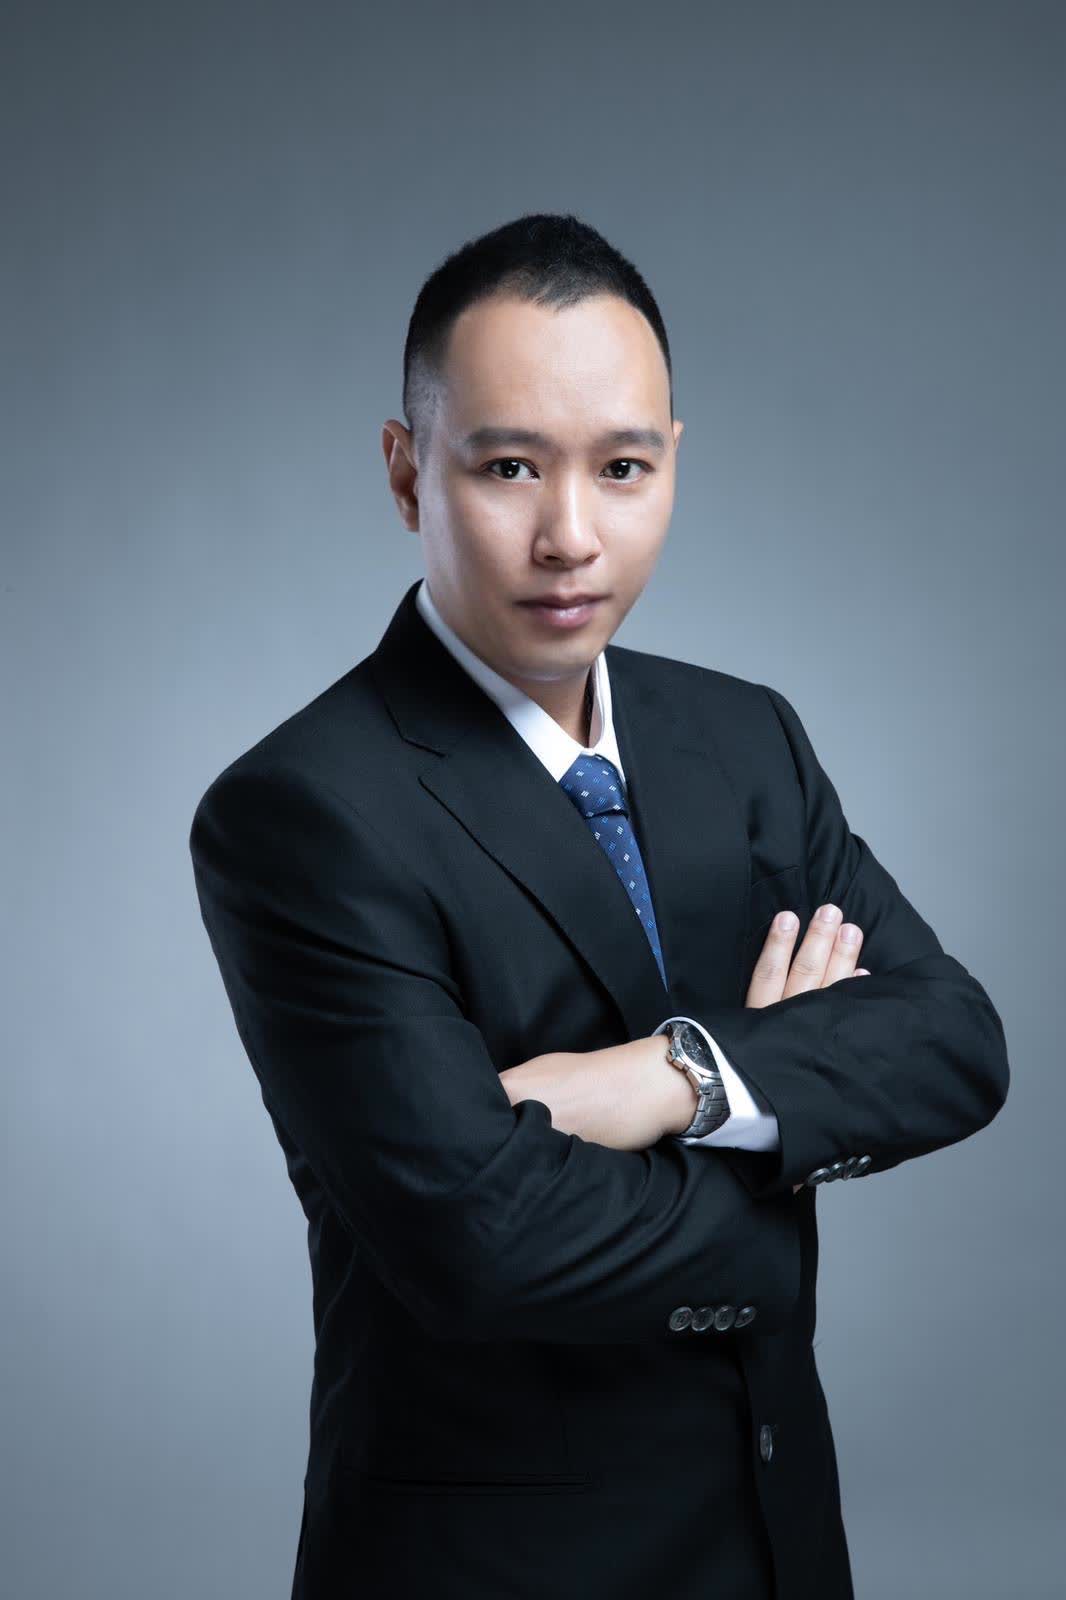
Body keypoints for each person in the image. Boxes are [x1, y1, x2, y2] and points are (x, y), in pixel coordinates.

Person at [189, 212, 1010, 1600]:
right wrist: (783, 1139)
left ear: (671, 463)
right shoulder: (306, 809)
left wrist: (667, 1076)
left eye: (621, 468)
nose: (569, 536)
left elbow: (953, 1042)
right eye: (507, 466)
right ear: (406, 471)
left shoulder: (744, 739)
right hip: (493, 1565)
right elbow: (481, 1241)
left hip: (775, 1542)